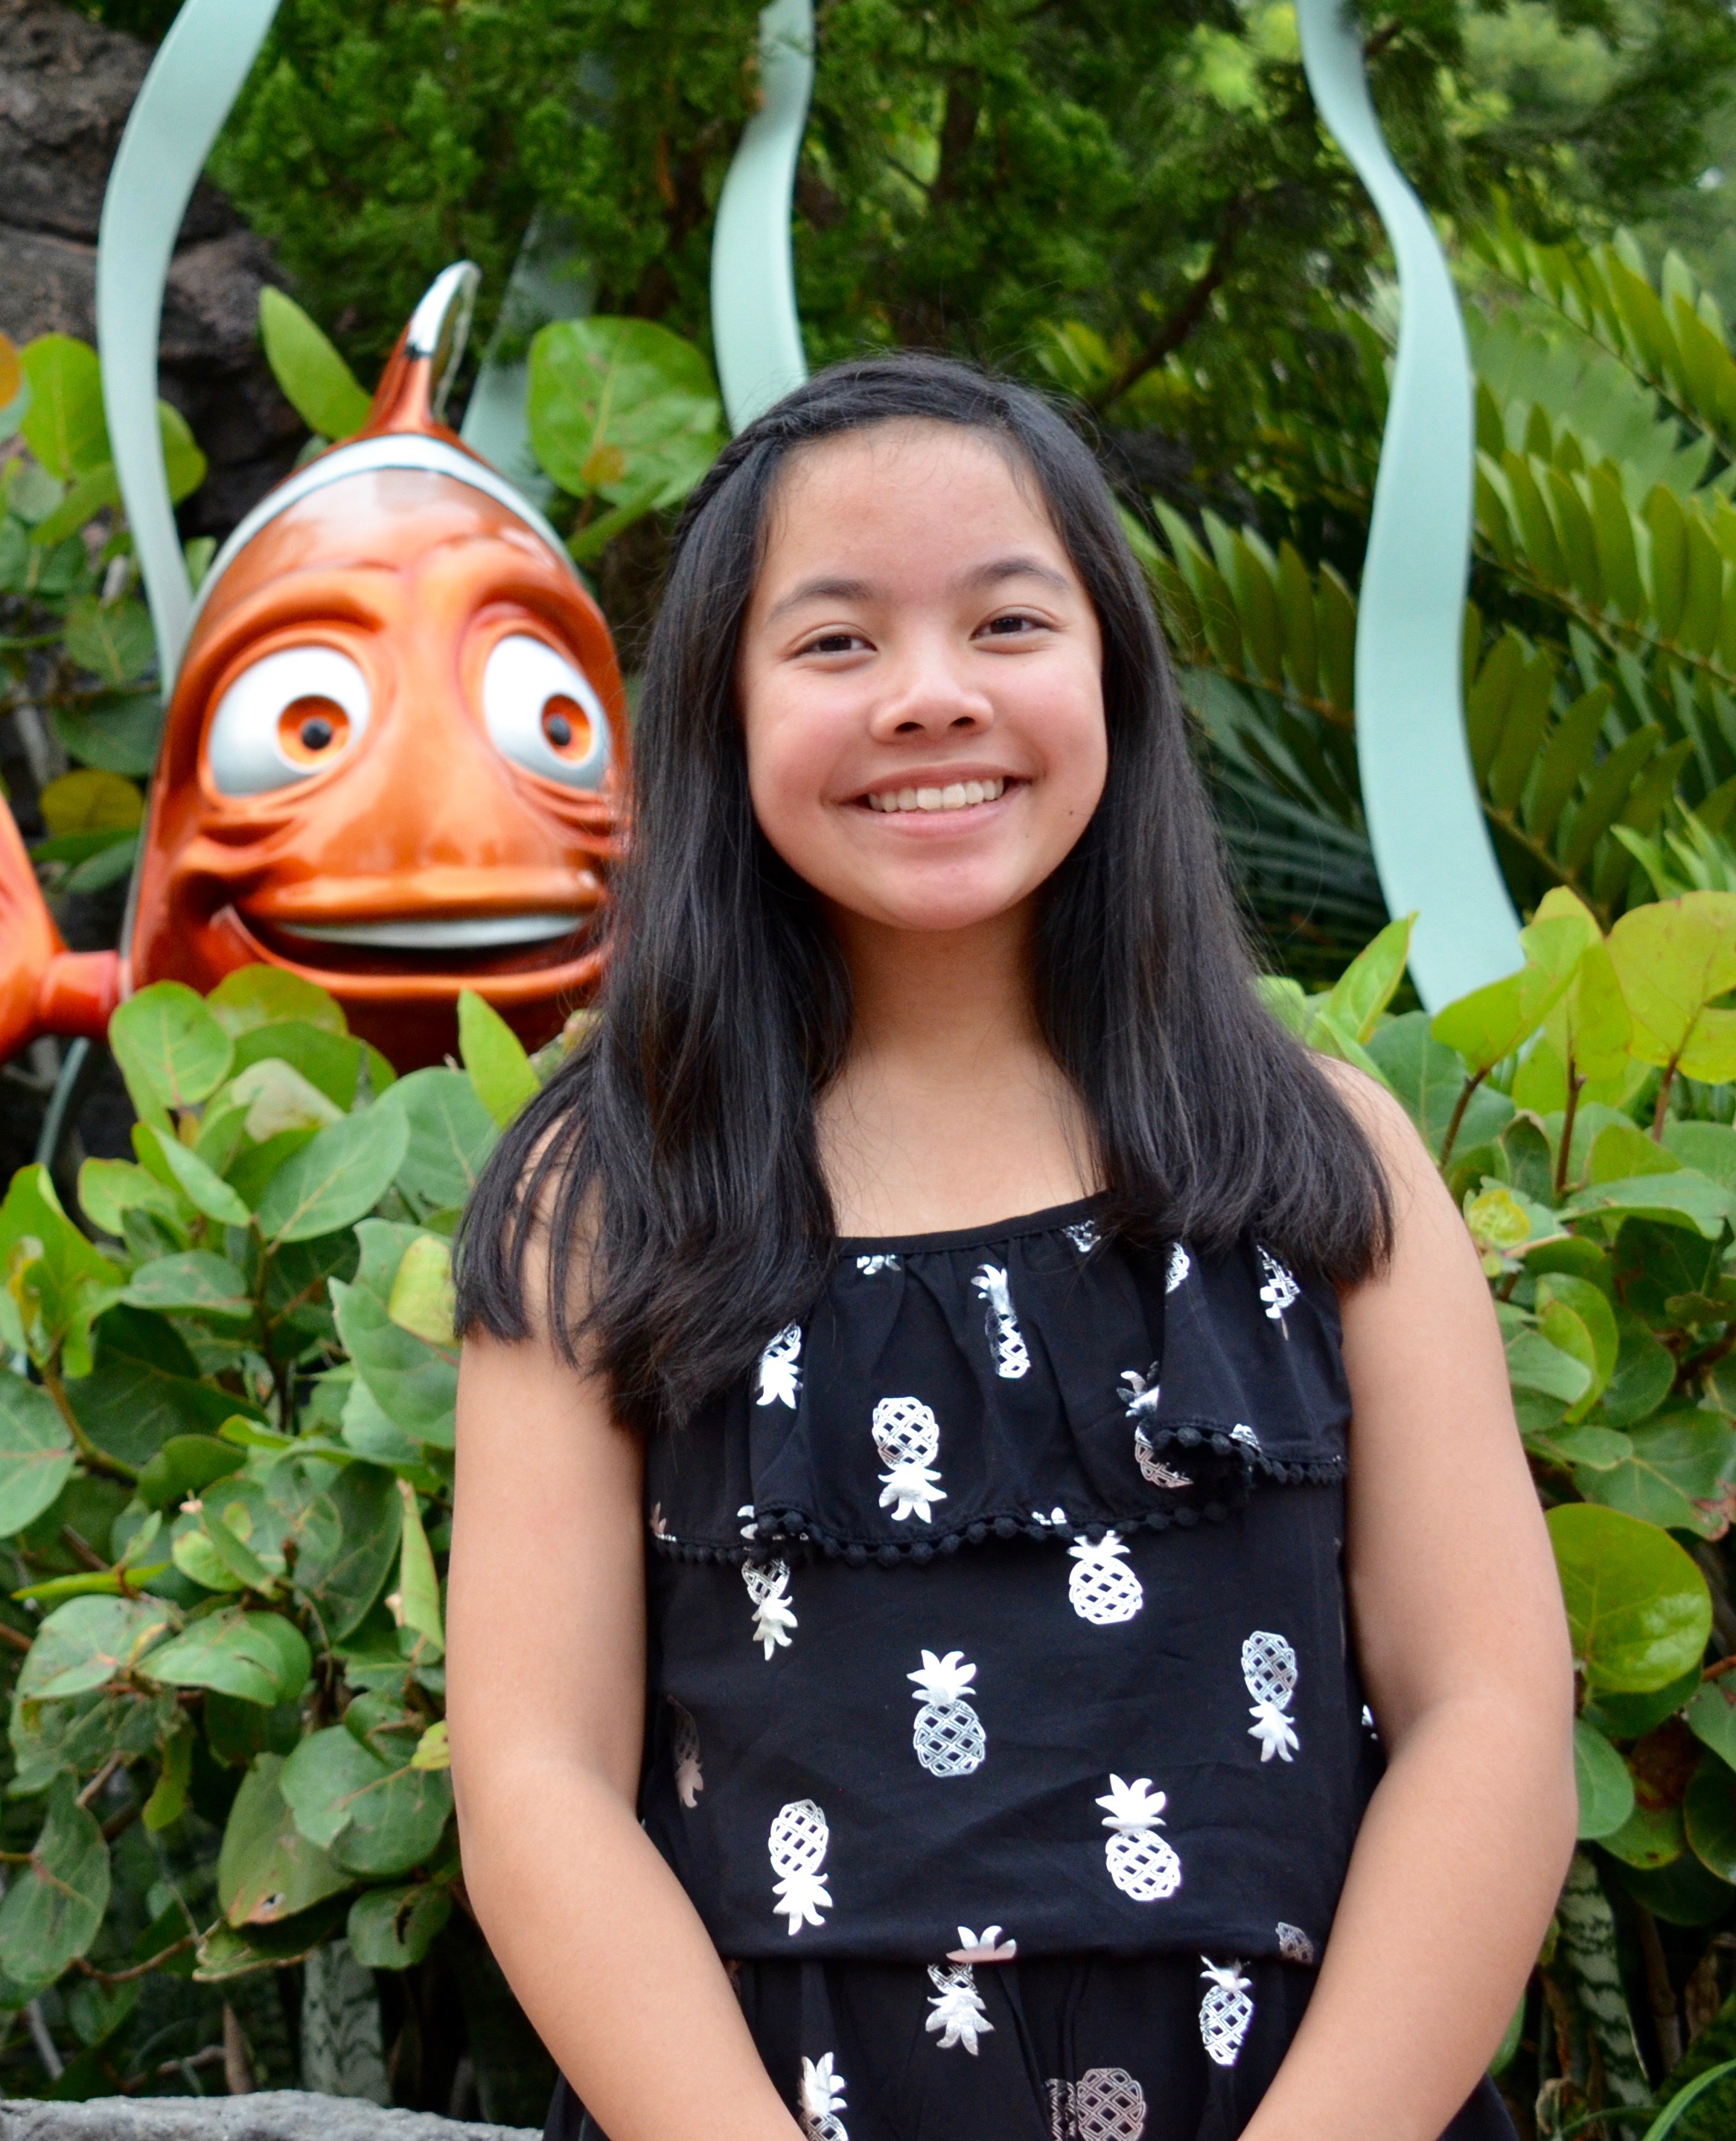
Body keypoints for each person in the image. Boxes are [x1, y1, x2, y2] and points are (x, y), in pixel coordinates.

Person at [443, 355, 1571, 2140]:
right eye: (834, 642)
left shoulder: (1317, 1166)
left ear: (1111, 667)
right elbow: (534, 1778)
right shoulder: (611, 1197)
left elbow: (1488, 1713)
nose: (930, 696)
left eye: (1008, 623)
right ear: (720, 711)